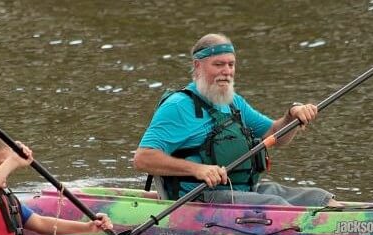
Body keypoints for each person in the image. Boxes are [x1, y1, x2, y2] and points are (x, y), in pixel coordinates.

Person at [133, 33, 341, 207]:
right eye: (219, 64)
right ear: (198, 66)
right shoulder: (178, 106)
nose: (227, 71)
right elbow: (143, 158)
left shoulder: (233, 102)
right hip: (198, 199)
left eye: (231, 64)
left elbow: (275, 135)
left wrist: (292, 115)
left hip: (243, 190)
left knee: (318, 198)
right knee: (276, 206)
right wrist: (198, 169)